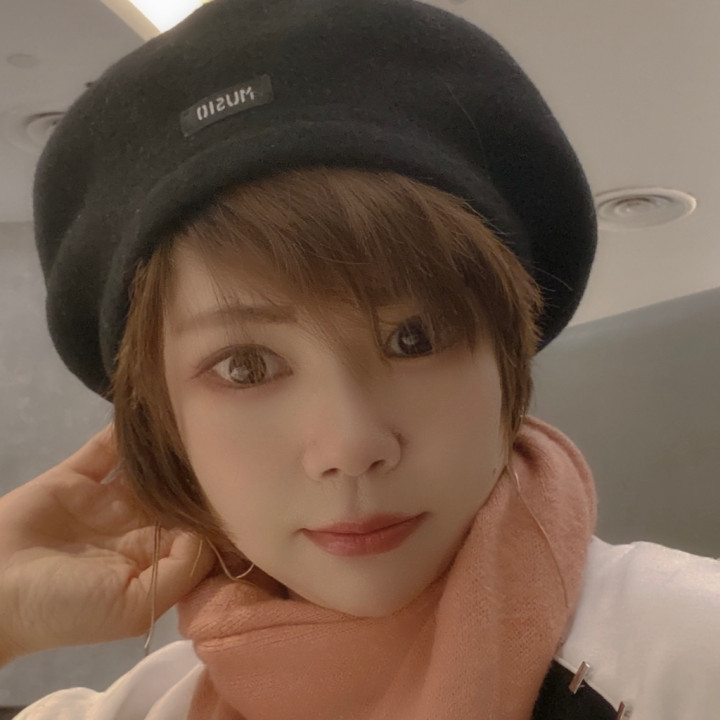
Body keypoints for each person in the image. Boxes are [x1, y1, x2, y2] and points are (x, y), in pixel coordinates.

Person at [1, 0, 719, 718]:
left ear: (505, 363)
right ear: (166, 427)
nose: (350, 446)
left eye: (416, 338)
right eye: (245, 366)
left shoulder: (690, 652)